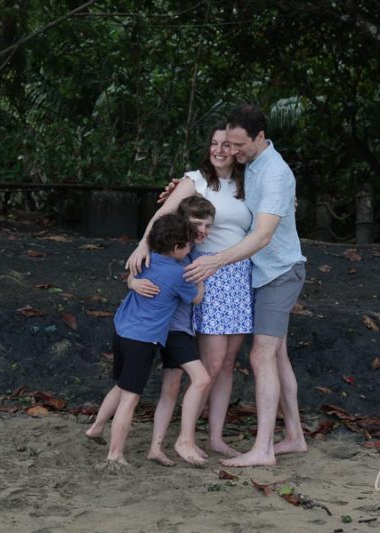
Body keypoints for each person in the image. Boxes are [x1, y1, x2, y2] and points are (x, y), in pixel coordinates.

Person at [183, 104, 307, 467]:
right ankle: (294, 436)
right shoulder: (253, 164)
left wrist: (218, 260)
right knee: (278, 355)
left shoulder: (275, 174)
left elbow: (265, 234)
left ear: (260, 138)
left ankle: (264, 449)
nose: (233, 152)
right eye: (229, 145)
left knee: (261, 355)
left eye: (239, 145)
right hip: (260, 273)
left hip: (278, 274)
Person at [126, 122, 254, 458]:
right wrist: (143, 246)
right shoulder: (194, 180)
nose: (219, 150)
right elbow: (164, 214)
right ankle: (185, 438)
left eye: (227, 145)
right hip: (203, 271)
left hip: (239, 274)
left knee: (226, 363)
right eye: (214, 143)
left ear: (240, 149)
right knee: (208, 364)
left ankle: (215, 436)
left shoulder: (249, 183)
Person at [85, 214, 204, 466]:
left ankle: (96, 427)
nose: (190, 249)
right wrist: (200, 278)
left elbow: (131, 277)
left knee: (121, 385)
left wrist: (131, 281)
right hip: (143, 339)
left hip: (122, 329)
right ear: (176, 248)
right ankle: (115, 454)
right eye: (188, 245)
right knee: (130, 397)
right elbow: (195, 298)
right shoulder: (178, 273)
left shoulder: (145, 260)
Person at [128, 196, 215, 466]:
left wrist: (133, 281)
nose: (203, 231)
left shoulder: (185, 252)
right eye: (197, 224)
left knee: (171, 387)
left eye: (208, 226)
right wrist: (132, 282)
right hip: (174, 329)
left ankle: (156, 446)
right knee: (201, 379)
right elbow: (138, 270)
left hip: (176, 329)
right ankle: (184, 440)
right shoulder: (176, 254)